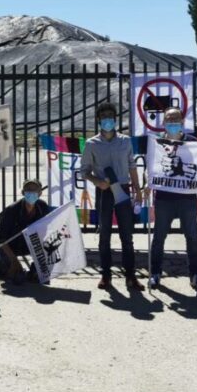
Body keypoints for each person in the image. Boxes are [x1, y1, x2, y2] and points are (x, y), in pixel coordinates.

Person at [147, 107, 197, 291]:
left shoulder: (193, 143)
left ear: (182, 121)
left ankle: (196, 275)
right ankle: (155, 273)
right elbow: (153, 169)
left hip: (187, 199)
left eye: (176, 119)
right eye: (169, 119)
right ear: (163, 122)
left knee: (193, 238)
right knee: (159, 237)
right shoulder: (157, 143)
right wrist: (147, 187)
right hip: (163, 199)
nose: (172, 122)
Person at [81, 102, 145, 291]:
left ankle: (131, 276)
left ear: (115, 119)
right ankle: (106, 275)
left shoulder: (125, 141)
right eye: (104, 116)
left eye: (111, 116)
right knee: (105, 236)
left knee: (127, 235)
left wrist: (138, 190)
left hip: (123, 190)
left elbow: (132, 165)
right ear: (99, 120)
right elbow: (84, 171)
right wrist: (96, 181)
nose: (108, 120)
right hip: (104, 192)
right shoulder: (91, 144)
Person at [0, 179, 50, 284]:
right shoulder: (11, 210)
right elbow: (1, 240)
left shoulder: (42, 206)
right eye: (28, 190)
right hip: (11, 246)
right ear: (23, 192)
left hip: (31, 244)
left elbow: (46, 230)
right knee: (17, 279)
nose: (31, 193)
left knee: (39, 278)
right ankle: (4, 267)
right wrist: (14, 260)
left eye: (35, 190)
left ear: (40, 193)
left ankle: (34, 271)